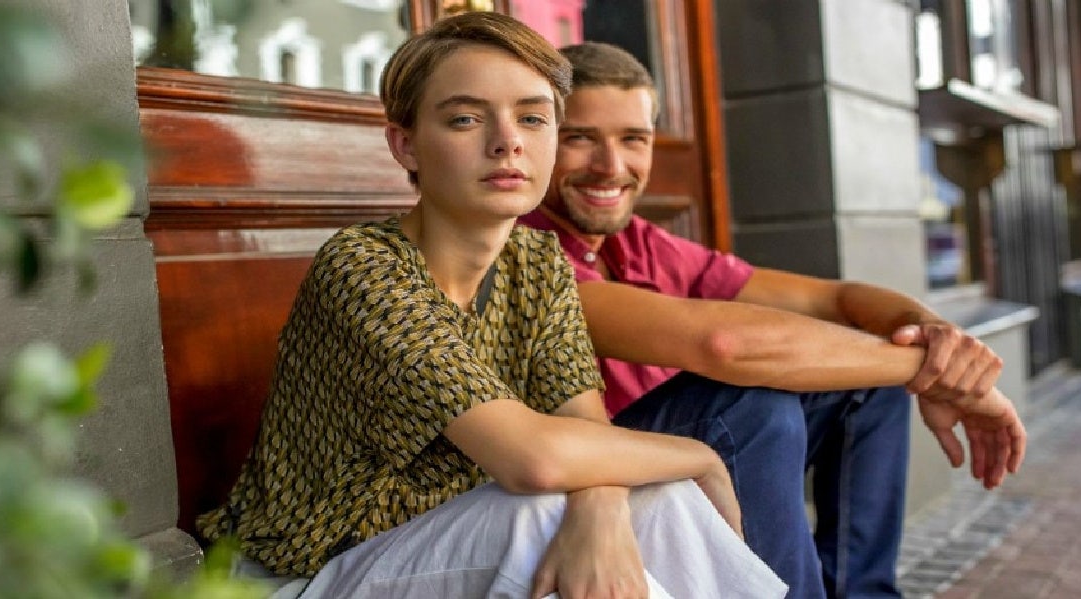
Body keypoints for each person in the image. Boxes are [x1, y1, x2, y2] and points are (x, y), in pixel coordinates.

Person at [196, 13, 786, 599]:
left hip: (444, 547)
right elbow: (534, 459)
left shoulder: (538, 263)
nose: (507, 141)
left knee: (654, 498)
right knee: (539, 515)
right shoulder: (364, 269)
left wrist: (601, 505)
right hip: (300, 575)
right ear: (405, 145)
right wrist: (702, 457)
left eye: (532, 117)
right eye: (465, 118)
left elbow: (583, 424)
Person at [518, 41, 1027, 599]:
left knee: (862, 379)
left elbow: (839, 299)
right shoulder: (522, 249)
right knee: (748, 403)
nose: (611, 167)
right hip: (594, 498)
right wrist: (930, 370)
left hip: (677, 471)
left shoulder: (643, 245)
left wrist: (940, 340)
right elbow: (725, 345)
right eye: (580, 139)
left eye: (633, 139)